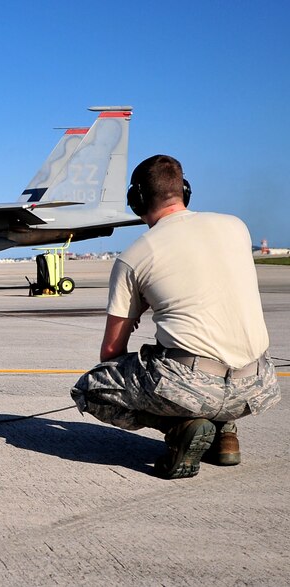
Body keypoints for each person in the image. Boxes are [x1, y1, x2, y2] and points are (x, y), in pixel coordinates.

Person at [71, 155, 281, 479]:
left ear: (136, 200)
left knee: (89, 388)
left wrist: (137, 308)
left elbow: (110, 354)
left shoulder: (134, 257)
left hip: (193, 385)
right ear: (184, 190)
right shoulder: (236, 227)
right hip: (258, 385)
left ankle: (180, 428)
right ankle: (225, 433)